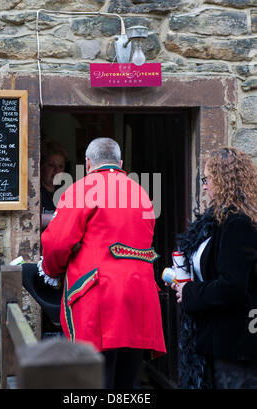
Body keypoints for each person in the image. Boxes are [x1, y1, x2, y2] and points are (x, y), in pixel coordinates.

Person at [38, 137, 166, 389]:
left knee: (95, 380)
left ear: (87, 164)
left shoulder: (81, 189)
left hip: (97, 298)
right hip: (139, 298)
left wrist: (51, 270)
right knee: (128, 380)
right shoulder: (141, 192)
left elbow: (57, 242)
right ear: (119, 163)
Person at [170, 147, 257, 389]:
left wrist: (188, 293)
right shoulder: (218, 221)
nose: (205, 186)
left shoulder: (238, 223)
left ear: (223, 179)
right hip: (217, 340)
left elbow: (232, 286)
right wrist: (182, 279)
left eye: (207, 179)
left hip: (236, 344)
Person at [40, 139, 67, 229]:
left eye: (60, 166)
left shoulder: (66, 193)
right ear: (41, 166)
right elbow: (29, 219)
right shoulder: (34, 193)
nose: (56, 170)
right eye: (51, 165)